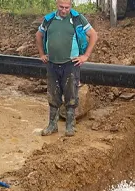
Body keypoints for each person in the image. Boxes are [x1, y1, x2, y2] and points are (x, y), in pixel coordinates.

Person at [35, 0, 98, 137]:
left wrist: (85, 55)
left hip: (71, 65)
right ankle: (52, 125)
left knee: (71, 95)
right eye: (61, 7)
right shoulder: (49, 19)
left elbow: (93, 35)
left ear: (71, 6)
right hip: (52, 64)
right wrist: (41, 54)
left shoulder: (77, 18)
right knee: (53, 95)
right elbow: (38, 35)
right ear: (56, 5)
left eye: (67, 8)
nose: (64, 10)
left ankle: (70, 126)